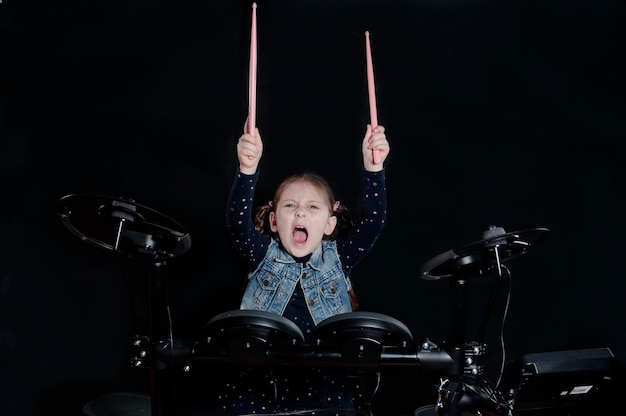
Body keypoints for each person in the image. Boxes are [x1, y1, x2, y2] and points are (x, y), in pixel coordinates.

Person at [218, 118, 390, 416]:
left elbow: (374, 222)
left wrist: (373, 169)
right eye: (289, 206)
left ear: (329, 224)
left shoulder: (338, 257)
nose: (300, 211)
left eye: (313, 207)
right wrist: (247, 170)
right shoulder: (263, 254)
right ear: (274, 221)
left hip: (327, 382)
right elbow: (236, 222)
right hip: (265, 380)